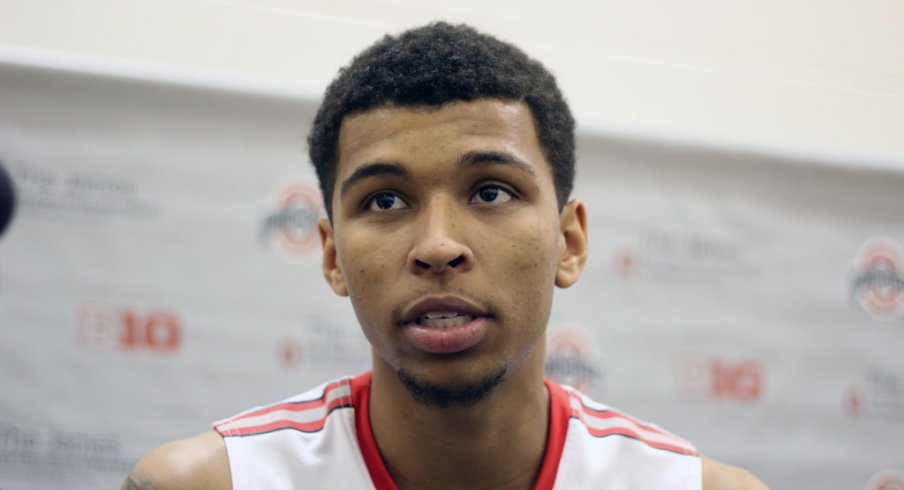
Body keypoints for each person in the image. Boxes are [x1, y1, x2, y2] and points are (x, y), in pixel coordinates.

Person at [123, 22, 767, 489]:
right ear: (332, 258)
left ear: (569, 244)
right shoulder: (208, 485)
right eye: (384, 202)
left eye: (491, 191)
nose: (437, 246)